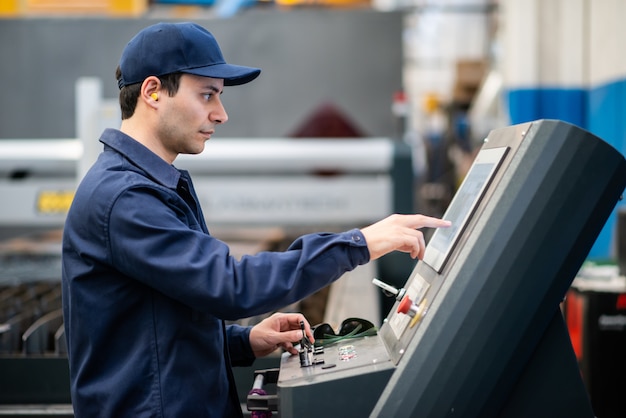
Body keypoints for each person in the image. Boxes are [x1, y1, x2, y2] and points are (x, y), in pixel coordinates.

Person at [61, 22, 451, 418]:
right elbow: (231, 287)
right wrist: (359, 244)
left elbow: (155, 331)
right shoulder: (126, 197)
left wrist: (245, 342)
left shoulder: (148, 185)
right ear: (153, 92)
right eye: (207, 95)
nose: (221, 113)